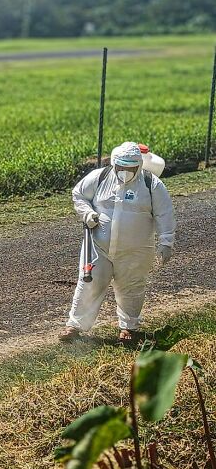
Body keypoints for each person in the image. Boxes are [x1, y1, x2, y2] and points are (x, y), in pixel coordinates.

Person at [60, 142, 176, 342]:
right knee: (90, 283)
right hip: (98, 247)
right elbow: (78, 194)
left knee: (132, 288)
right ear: (114, 164)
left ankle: (128, 329)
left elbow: (165, 214)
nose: (124, 172)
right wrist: (87, 213)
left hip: (135, 251)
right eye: (121, 167)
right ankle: (74, 327)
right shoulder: (100, 177)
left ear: (139, 166)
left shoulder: (151, 184)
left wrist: (166, 242)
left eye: (130, 168)